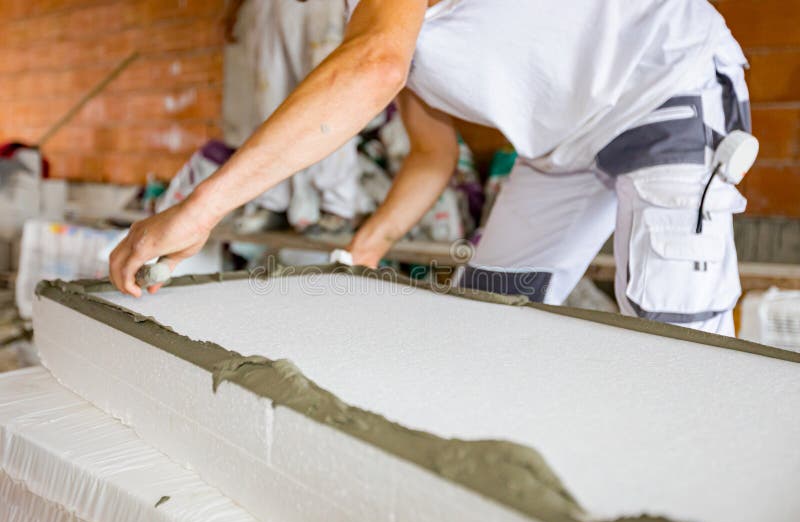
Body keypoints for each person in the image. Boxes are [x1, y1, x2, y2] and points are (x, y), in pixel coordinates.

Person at [110, 0, 751, 336]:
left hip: (664, 87)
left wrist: (197, 211)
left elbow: (373, 70)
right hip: (565, 148)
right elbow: (431, 153)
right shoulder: (366, 14)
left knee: (675, 341)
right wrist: (370, 245)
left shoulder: (377, 31)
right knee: (490, 314)